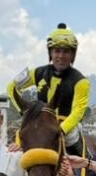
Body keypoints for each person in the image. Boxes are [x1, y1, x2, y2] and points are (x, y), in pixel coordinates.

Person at [7, 23, 90, 155]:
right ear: (50, 53)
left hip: (66, 126)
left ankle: (88, 164)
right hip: (39, 121)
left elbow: (78, 112)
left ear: (72, 55)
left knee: (74, 139)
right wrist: (26, 113)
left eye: (66, 51)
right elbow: (11, 88)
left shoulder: (81, 81)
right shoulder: (36, 73)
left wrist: (61, 130)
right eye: (57, 51)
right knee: (17, 143)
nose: (61, 56)